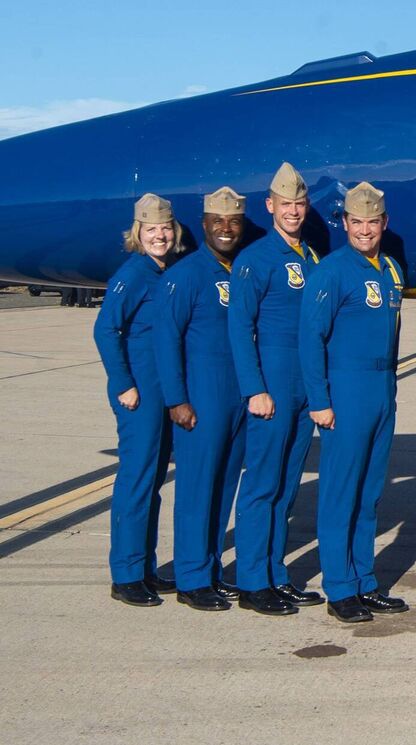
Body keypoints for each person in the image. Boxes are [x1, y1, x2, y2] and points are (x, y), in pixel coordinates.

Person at [299, 182, 409, 623]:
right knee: (340, 493)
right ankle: (340, 587)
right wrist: (320, 400)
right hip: (345, 390)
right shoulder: (331, 271)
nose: (365, 230)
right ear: (344, 223)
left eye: (372, 222)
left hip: (381, 390)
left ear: (384, 223)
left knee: (368, 493)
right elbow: (311, 338)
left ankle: (364, 580)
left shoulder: (391, 269)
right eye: (357, 222)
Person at [228, 162, 323, 615]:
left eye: (299, 204)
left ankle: (275, 574)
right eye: (286, 204)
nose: (293, 211)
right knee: (262, 485)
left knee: (285, 487)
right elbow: (239, 327)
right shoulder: (255, 259)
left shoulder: (310, 257)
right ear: (270, 206)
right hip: (272, 385)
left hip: (304, 388)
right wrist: (254, 389)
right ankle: (251, 581)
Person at [155, 186, 249, 612]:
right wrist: (176, 400)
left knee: (224, 486)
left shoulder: (239, 270)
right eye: (217, 221)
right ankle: (192, 578)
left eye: (233, 222)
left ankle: (211, 570)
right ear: (204, 224)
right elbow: (166, 340)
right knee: (196, 490)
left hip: (236, 397)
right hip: (201, 396)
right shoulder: (186, 274)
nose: (226, 229)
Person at [94, 193, 184, 607]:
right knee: (136, 480)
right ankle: (126, 575)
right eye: (151, 230)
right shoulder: (132, 274)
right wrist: (122, 383)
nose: (159, 236)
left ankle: (145, 568)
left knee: (153, 481)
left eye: (165, 228)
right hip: (140, 393)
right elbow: (105, 330)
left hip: (163, 390)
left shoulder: (166, 270)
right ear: (138, 233)